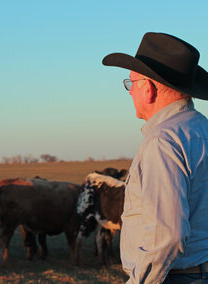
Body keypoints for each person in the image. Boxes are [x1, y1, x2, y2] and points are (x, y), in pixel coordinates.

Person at [102, 32, 208, 283]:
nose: (130, 93)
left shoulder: (164, 141)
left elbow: (167, 236)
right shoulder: (202, 129)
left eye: (131, 84)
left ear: (147, 88)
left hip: (175, 277)